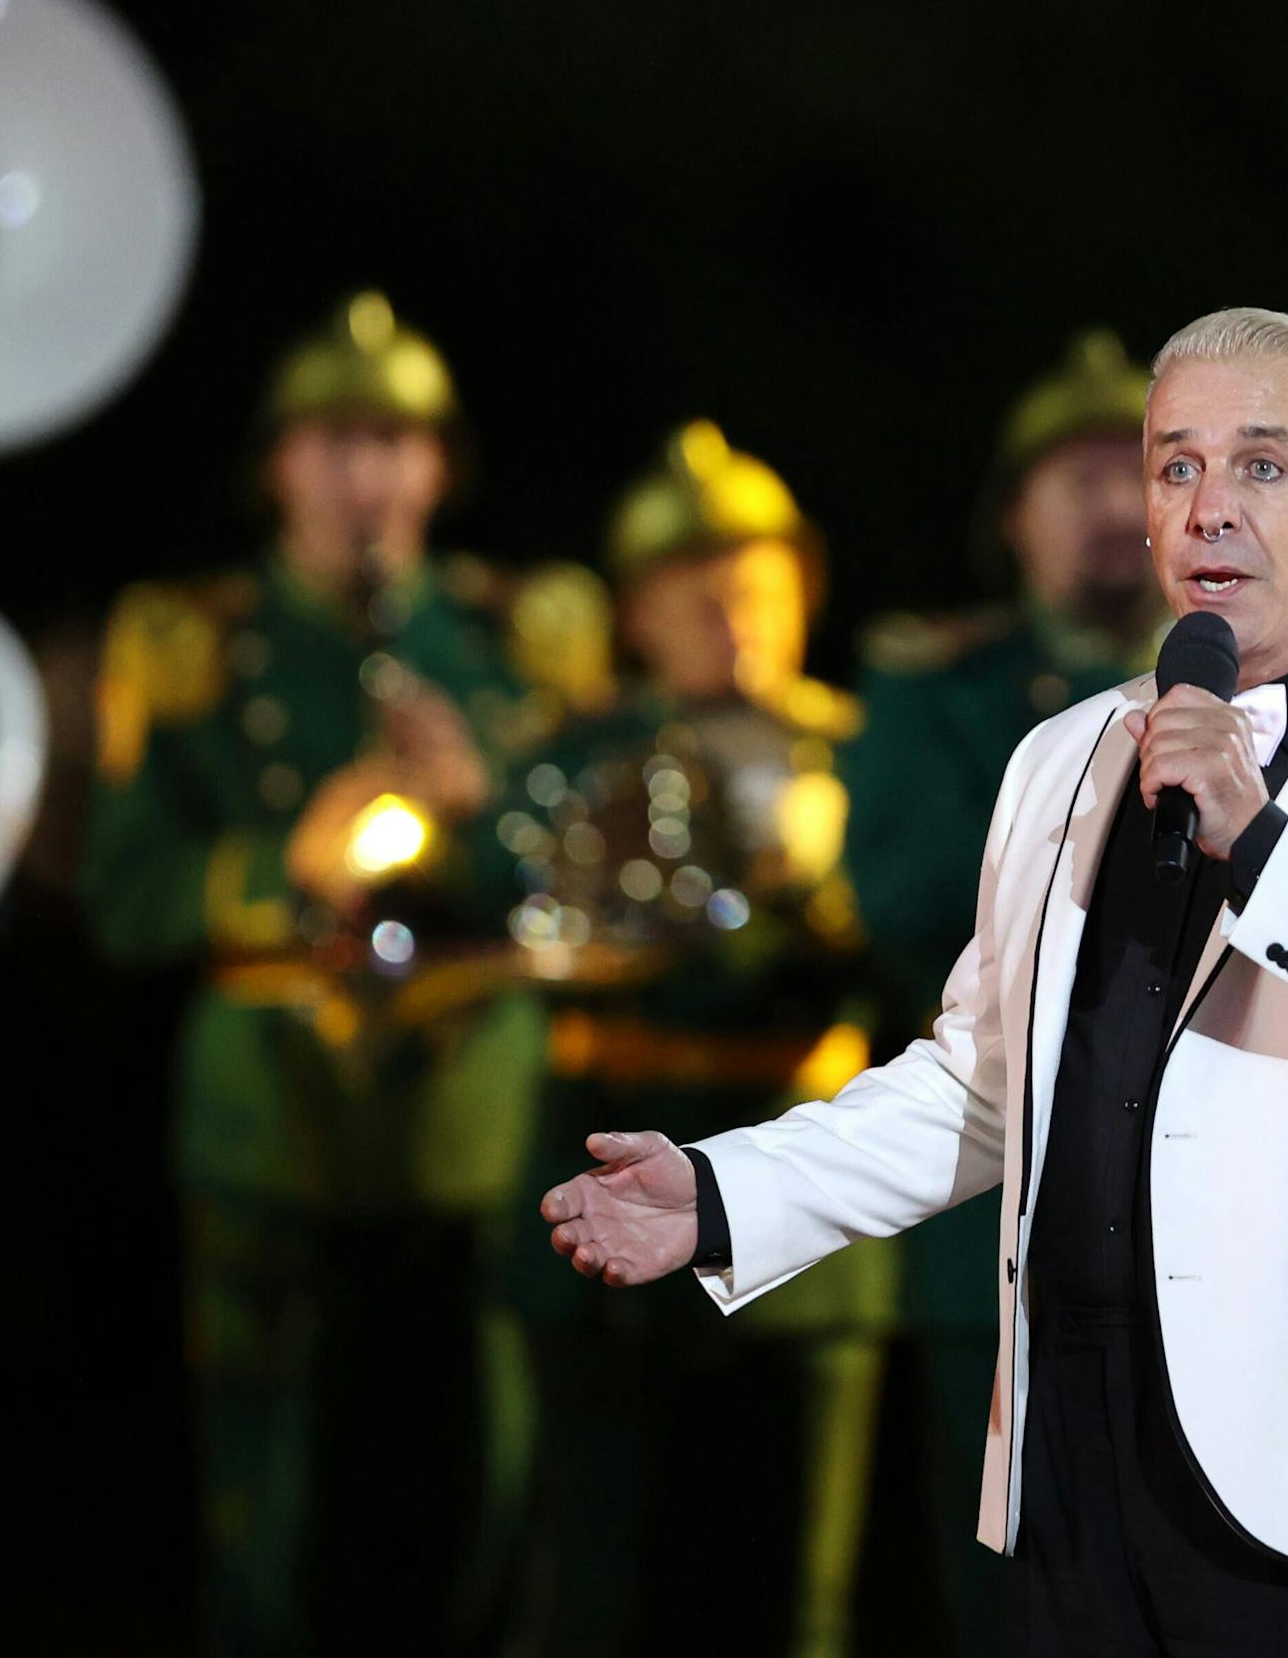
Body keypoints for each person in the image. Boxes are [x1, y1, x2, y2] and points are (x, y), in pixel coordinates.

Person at [539, 307, 1288, 1657]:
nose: (1210, 507)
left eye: (1263, 466)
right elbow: (986, 1084)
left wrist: (1262, 845)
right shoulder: (1064, 759)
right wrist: (721, 1192)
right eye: (1177, 467)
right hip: (1077, 1464)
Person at [84, 293, 609, 1656]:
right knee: (272, 1503)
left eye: (395, 443)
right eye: (332, 442)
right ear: (277, 466)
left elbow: (594, 887)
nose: (365, 477)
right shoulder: (195, 641)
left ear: (440, 468)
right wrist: (285, 867)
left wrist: (486, 804)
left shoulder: (514, 639)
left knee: (481, 1489)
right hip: (273, 1130)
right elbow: (126, 898)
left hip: (473, 1144)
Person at [509, 421, 894, 1658]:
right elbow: (504, 895)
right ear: (637, 612)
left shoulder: (861, 752)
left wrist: (832, 896)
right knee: (601, 1574)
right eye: (697, 591)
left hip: (805, 1192)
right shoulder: (581, 756)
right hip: (611, 1172)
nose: (733, 615)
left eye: (759, 586)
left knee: (794, 1587)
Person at [842, 328, 1165, 1651]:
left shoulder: (1279, 683)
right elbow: (899, 898)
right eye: (1073, 480)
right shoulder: (938, 691)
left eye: (1138, 475)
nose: (1111, 506)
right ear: (1013, 521)